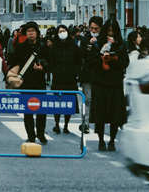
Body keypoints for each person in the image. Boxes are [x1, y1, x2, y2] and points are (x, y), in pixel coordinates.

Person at [89, 20, 129, 152]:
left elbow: (125, 63)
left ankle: (112, 140)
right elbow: (91, 62)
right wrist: (101, 59)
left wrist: (115, 59)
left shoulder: (121, 45)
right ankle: (101, 140)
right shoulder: (97, 44)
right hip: (100, 81)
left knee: (115, 114)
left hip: (115, 82)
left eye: (113, 31)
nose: (110, 33)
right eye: (108, 31)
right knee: (99, 113)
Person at [8, 21, 49, 144]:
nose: (31, 33)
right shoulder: (20, 47)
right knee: (28, 111)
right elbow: (14, 63)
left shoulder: (43, 47)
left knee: (41, 110)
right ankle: (31, 135)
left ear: (37, 33)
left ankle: (41, 134)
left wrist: (43, 69)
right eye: (29, 31)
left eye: (33, 31)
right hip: (26, 82)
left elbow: (50, 62)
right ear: (26, 34)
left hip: (40, 82)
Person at [46, 24, 81, 134]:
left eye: (64, 30)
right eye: (60, 31)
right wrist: (54, 71)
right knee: (57, 103)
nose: (62, 33)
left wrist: (75, 72)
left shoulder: (74, 47)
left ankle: (66, 125)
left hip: (70, 78)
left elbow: (78, 62)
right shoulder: (54, 47)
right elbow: (50, 62)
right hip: (58, 78)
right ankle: (56, 124)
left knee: (69, 103)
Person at [77, 16, 104, 133]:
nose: (93, 31)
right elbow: (81, 54)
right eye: (91, 28)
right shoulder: (84, 39)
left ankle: (98, 123)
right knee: (87, 99)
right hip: (88, 73)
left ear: (100, 28)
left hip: (100, 73)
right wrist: (89, 45)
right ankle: (85, 123)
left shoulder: (103, 40)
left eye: (96, 29)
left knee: (98, 99)